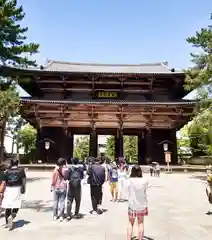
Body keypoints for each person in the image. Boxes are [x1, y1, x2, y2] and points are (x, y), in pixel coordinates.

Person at [0, 159, 26, 229]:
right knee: (17, 204)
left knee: (8, 205)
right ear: (17, 163)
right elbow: (23, 180)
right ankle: (12, 215)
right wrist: (24, 189)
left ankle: (7, 222)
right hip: (17, 189)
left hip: (8, 189)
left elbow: (3, 182)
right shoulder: (21, 170)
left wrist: (1, 191)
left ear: (11, 163)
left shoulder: (6, 172)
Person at [127, 165, 150, 240]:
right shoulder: (144, 180)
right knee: (140, 223)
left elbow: (125, 188)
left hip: (132, 204)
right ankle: (140, 238)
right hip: (142, 204)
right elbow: (147, 188)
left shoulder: (129, 180)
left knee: (131, 223)